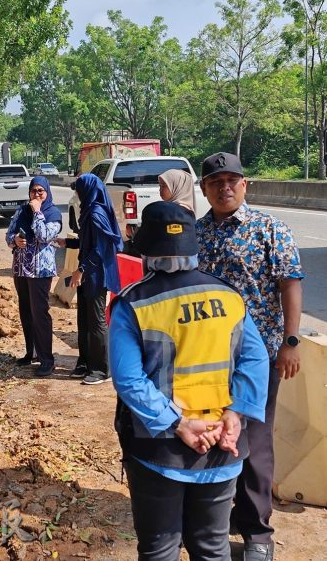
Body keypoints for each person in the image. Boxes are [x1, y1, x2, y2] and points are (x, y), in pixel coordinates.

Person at [110, 201, 269, 561]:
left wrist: (178, 424)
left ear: (145, 247)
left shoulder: (132, 303)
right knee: (212, 547)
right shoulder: (228, 296)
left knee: (160, 549)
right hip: (223, 444)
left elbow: (129, 379)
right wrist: (234, 416)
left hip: (160, 448)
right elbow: (256, 358)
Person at [196, 152, 303, 561]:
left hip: (257, 360)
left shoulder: (269, 229)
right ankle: (218, 521)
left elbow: (290, 284)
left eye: (232, 181)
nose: (224, 187)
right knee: (215, 438)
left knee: (255, 442)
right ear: (205, 188)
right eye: (215, 182)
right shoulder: (196, 233)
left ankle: (258, 532)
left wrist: (290, 344)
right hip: (206, 358)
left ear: (245, 184)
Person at [61, 173, 123, 385]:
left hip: (96, 274)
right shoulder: (89, 211)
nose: (77, 193)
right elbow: (88, 242)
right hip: (88, 273)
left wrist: (81, 269)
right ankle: (86, 362)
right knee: (84, 319)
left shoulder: (96, 214)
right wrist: (68, 244)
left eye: (78, 189)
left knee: (96, 322)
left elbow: (100, 249)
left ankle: (102, 370)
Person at [5, 176, 63, 377]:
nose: (36, 194)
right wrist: (15, 240)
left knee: (40, 313)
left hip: (40, 271)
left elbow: (44, 236)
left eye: (40, 191)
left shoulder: (53, 213)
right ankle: (31, 352)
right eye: (33, 191)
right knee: (26, 311)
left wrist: (37, 211)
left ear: (47, 192)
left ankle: (47, 359)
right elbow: (8, 235)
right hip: (21, 269)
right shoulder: (21, 211)